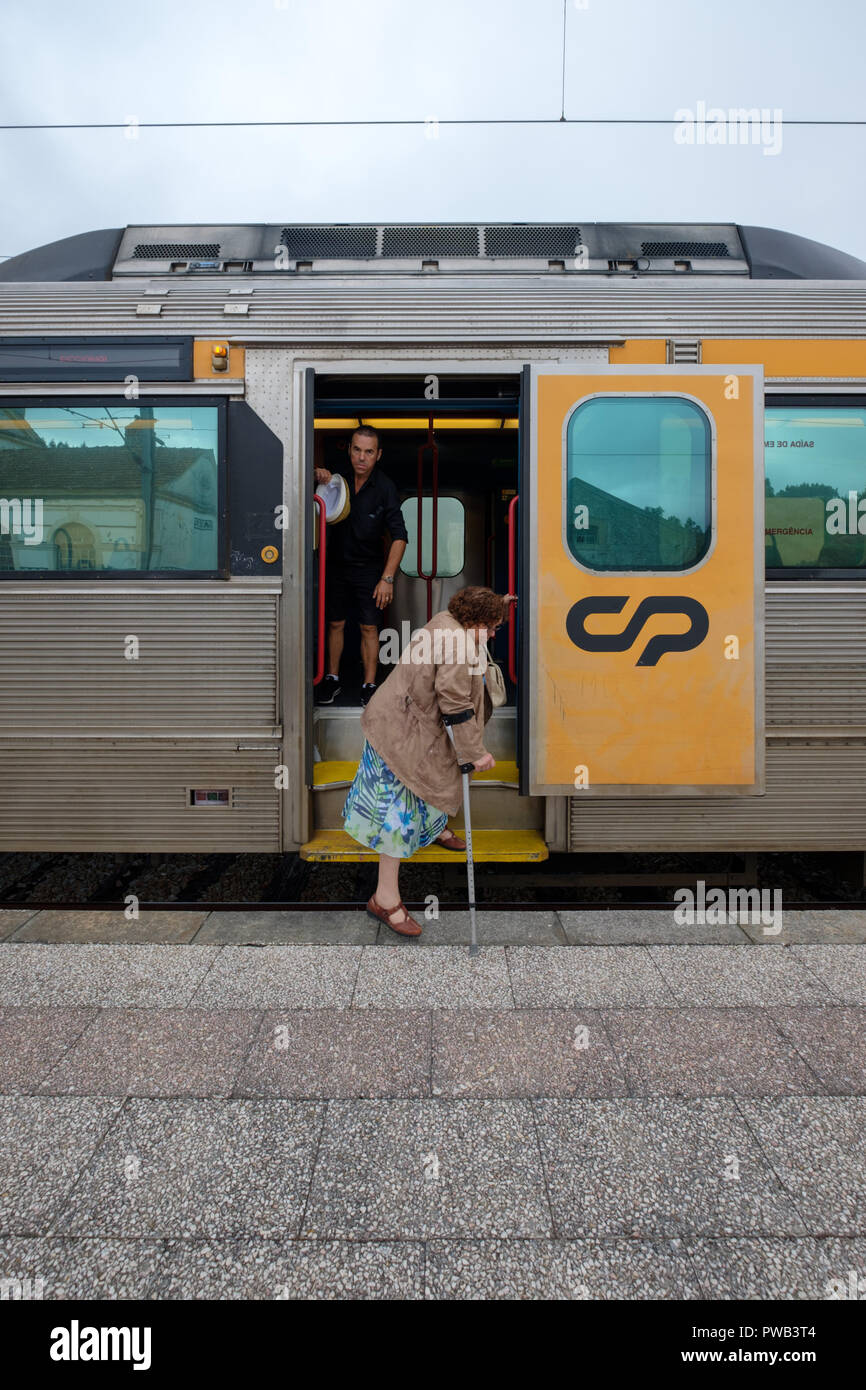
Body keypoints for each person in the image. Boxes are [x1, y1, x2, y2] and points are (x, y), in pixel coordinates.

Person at [341, 586, 514, 937]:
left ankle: (433, 828)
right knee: (396, 815)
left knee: (428, 782)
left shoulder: (447, 620)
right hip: (401, 737)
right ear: (474, 621)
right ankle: (384, 900)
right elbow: (455, 703)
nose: (494, 634)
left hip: (399, 720)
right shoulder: (458, 645)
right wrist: (475, 753)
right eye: (492, 626)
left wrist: (498, 606)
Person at [314, 425, 408, 706]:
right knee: (335, 623)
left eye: (369, 452)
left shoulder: (385, 487)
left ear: (378, 455)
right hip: (336, 565)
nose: (362, 457)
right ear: (350, 450)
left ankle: (369, 684)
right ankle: (332, 679)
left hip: (370, 569)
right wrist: (315, 475)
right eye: (357, 450)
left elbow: (400, 537)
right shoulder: (333, 480)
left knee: (369, 627)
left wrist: (387, 578)